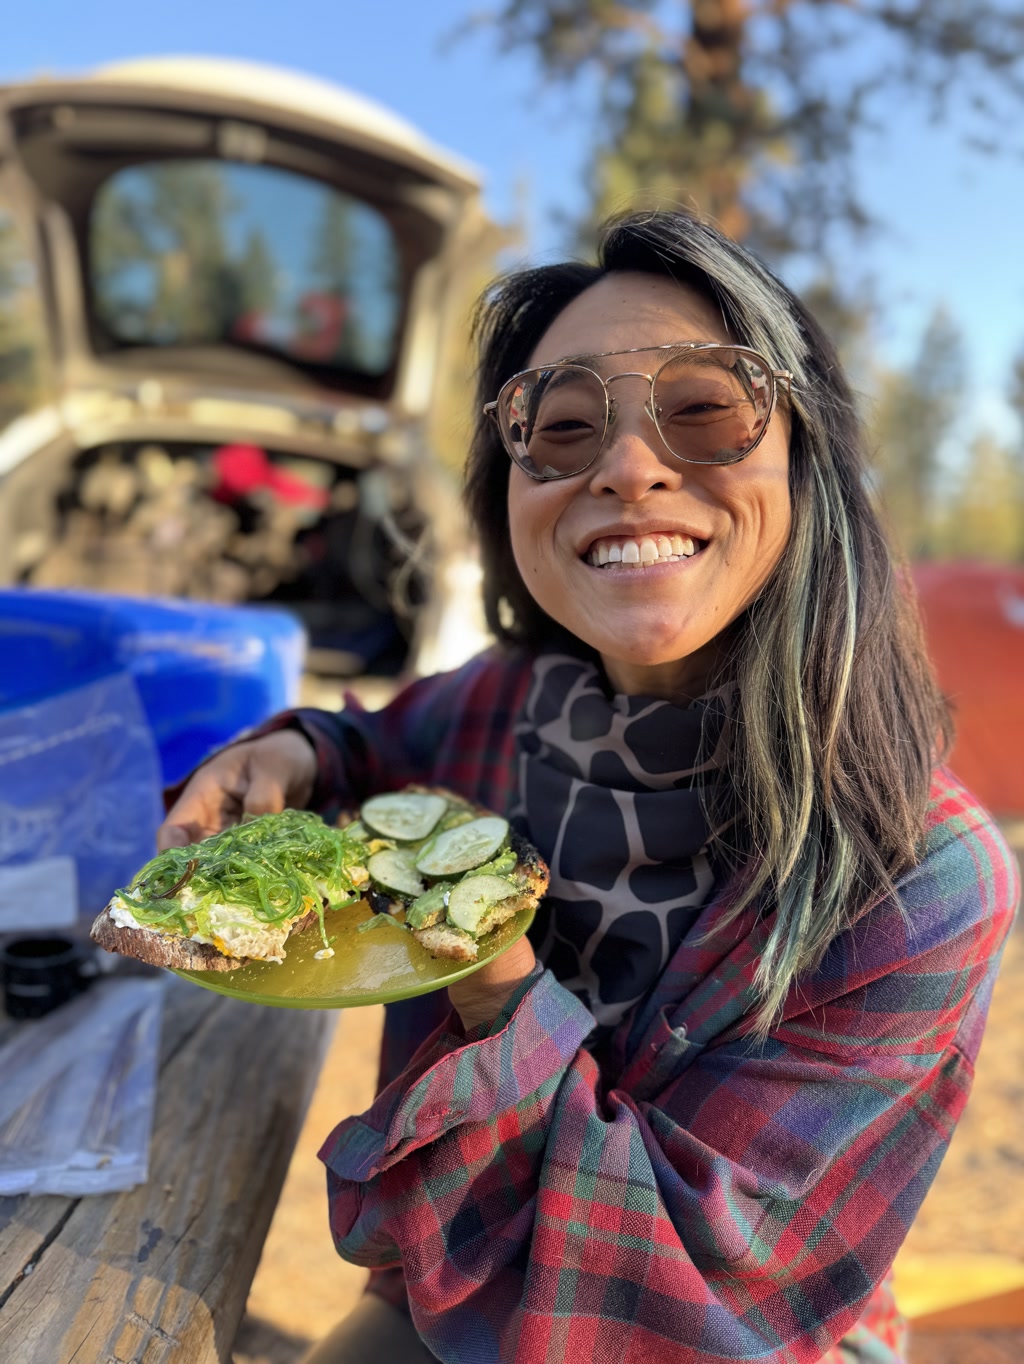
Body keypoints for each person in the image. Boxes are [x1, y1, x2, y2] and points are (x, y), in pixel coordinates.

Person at [161, 210, 1019, 1364]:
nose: (625, 466)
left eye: (706, 410)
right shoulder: (499, 704)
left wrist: (490, 974)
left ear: (811, 464)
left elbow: (698, 1306)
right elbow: (375, 739)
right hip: (450, 1283)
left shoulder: (920, 877)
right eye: (559, 427)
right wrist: (296, 752)